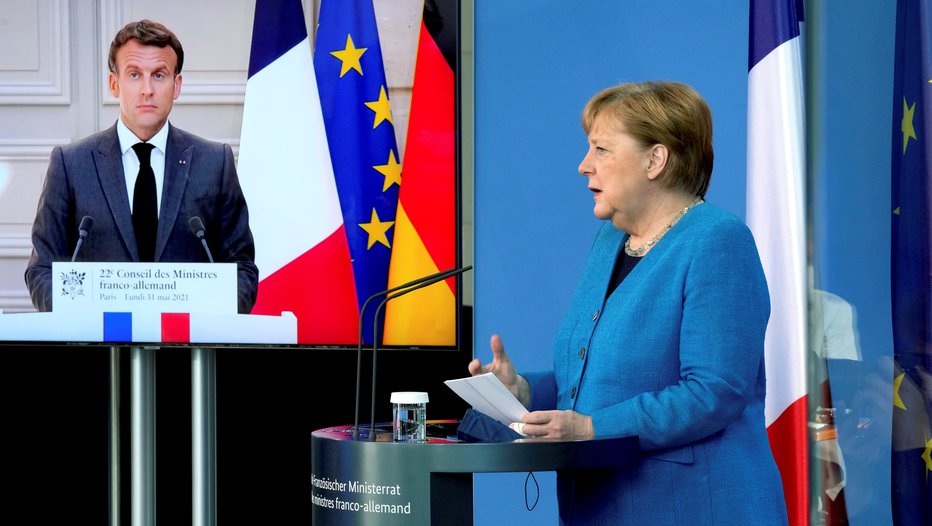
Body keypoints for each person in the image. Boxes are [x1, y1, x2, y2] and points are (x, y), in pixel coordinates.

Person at [469, 81, 789, 524]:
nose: (584, 166)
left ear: (655, 160)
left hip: (691, 508)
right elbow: (595, 379)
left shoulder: (718, 241)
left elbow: (714, 392)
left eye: (601, 149)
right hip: (600, 506)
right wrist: (522, 392)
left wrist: (590, 429)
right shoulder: (610, 240)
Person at [24, 19, 258, 313]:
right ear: (114, 84)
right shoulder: (70, 164)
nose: (147, 89)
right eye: (134, 75)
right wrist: (79, 320)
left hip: (189, 351)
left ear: (177, 85)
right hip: (101, 349)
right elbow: (42, 271)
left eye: (159, 75)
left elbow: (242, 271)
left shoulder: (215, 162)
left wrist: (208, 320)